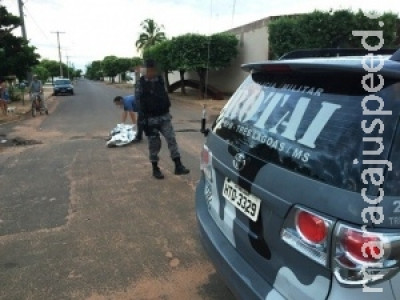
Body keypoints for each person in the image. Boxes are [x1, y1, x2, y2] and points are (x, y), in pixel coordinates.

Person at [136, 59, 190, 179]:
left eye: (153, 70)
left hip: (164, 116)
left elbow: (164, 96)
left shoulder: (160, 80)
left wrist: (167, 110)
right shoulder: (140, 83)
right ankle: (155, 168)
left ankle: (178, 165)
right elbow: (139, 102)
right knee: (154, 144)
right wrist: (142, 122)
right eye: (149, 70)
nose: (152, 72)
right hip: (150, 119)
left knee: (171, 139)